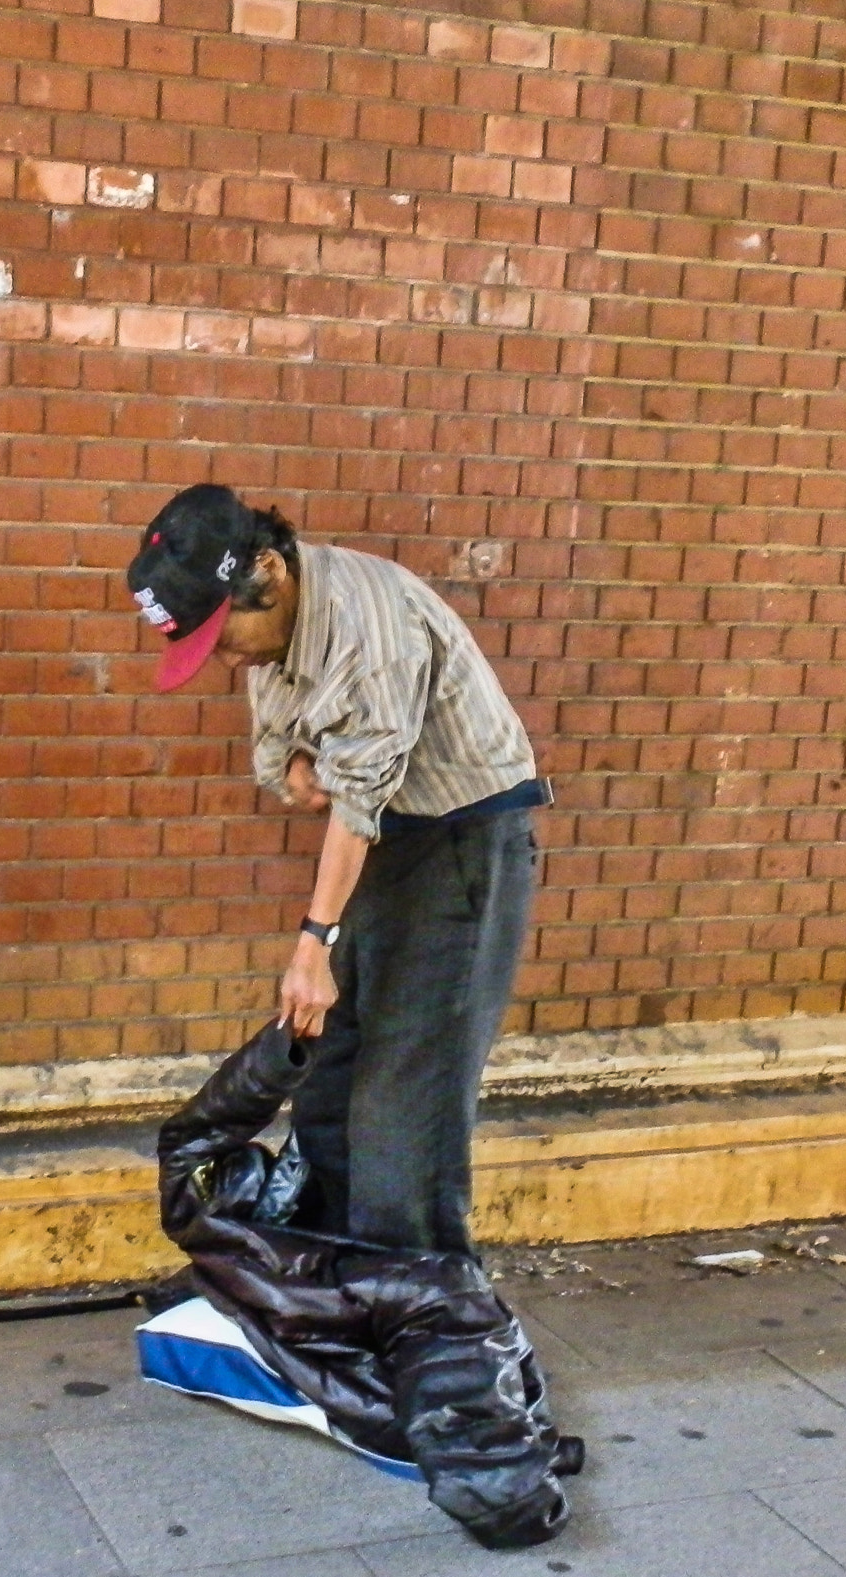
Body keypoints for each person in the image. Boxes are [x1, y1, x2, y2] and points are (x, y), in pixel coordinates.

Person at [126, 484, 547, 1255]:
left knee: (404, 1104)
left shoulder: (365, 628)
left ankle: (422, 1319)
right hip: (384, 845)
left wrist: (313, 944)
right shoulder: (276, 628)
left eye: (227, 635)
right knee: (330, 1076)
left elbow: (357, 799)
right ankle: (329, 1290)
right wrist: (290, 763)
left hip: (462, 848)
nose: (230, 657)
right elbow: (280, 752)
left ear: (270, 572)